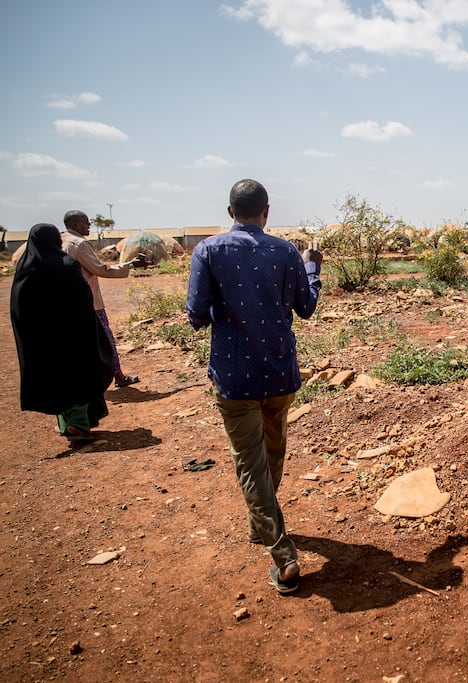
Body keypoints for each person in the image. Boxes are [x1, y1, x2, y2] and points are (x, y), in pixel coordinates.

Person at [186, 179, 322, 595]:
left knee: (251, 463)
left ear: (230, 213)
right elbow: (308, 307)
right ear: (267, 212)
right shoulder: (285, 252)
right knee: (273, 452)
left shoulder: (208, 251)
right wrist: (312, 268)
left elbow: (196, 316)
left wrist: (224, 303)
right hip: (279, 374)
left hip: (234, 378)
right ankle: (261, 524)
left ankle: (283, 558)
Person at [11, 224, 114, 444]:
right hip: (72, 334)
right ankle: (78, 424)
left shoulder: (26, 269)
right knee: (78, 374)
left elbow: (18, 307)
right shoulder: (66, 265)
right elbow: (84, 298)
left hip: (41, 339)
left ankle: (67, 423)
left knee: (54, 376)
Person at [61, 209, 149, 388]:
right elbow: (100, 269)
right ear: (75, 224)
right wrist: (131, 265)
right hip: (90, 302)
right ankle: (118, 376)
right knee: (105, 339)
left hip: (69, 302)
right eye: (86, 222)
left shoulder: (60, 241)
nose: (89, 226)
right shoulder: (79, 244)